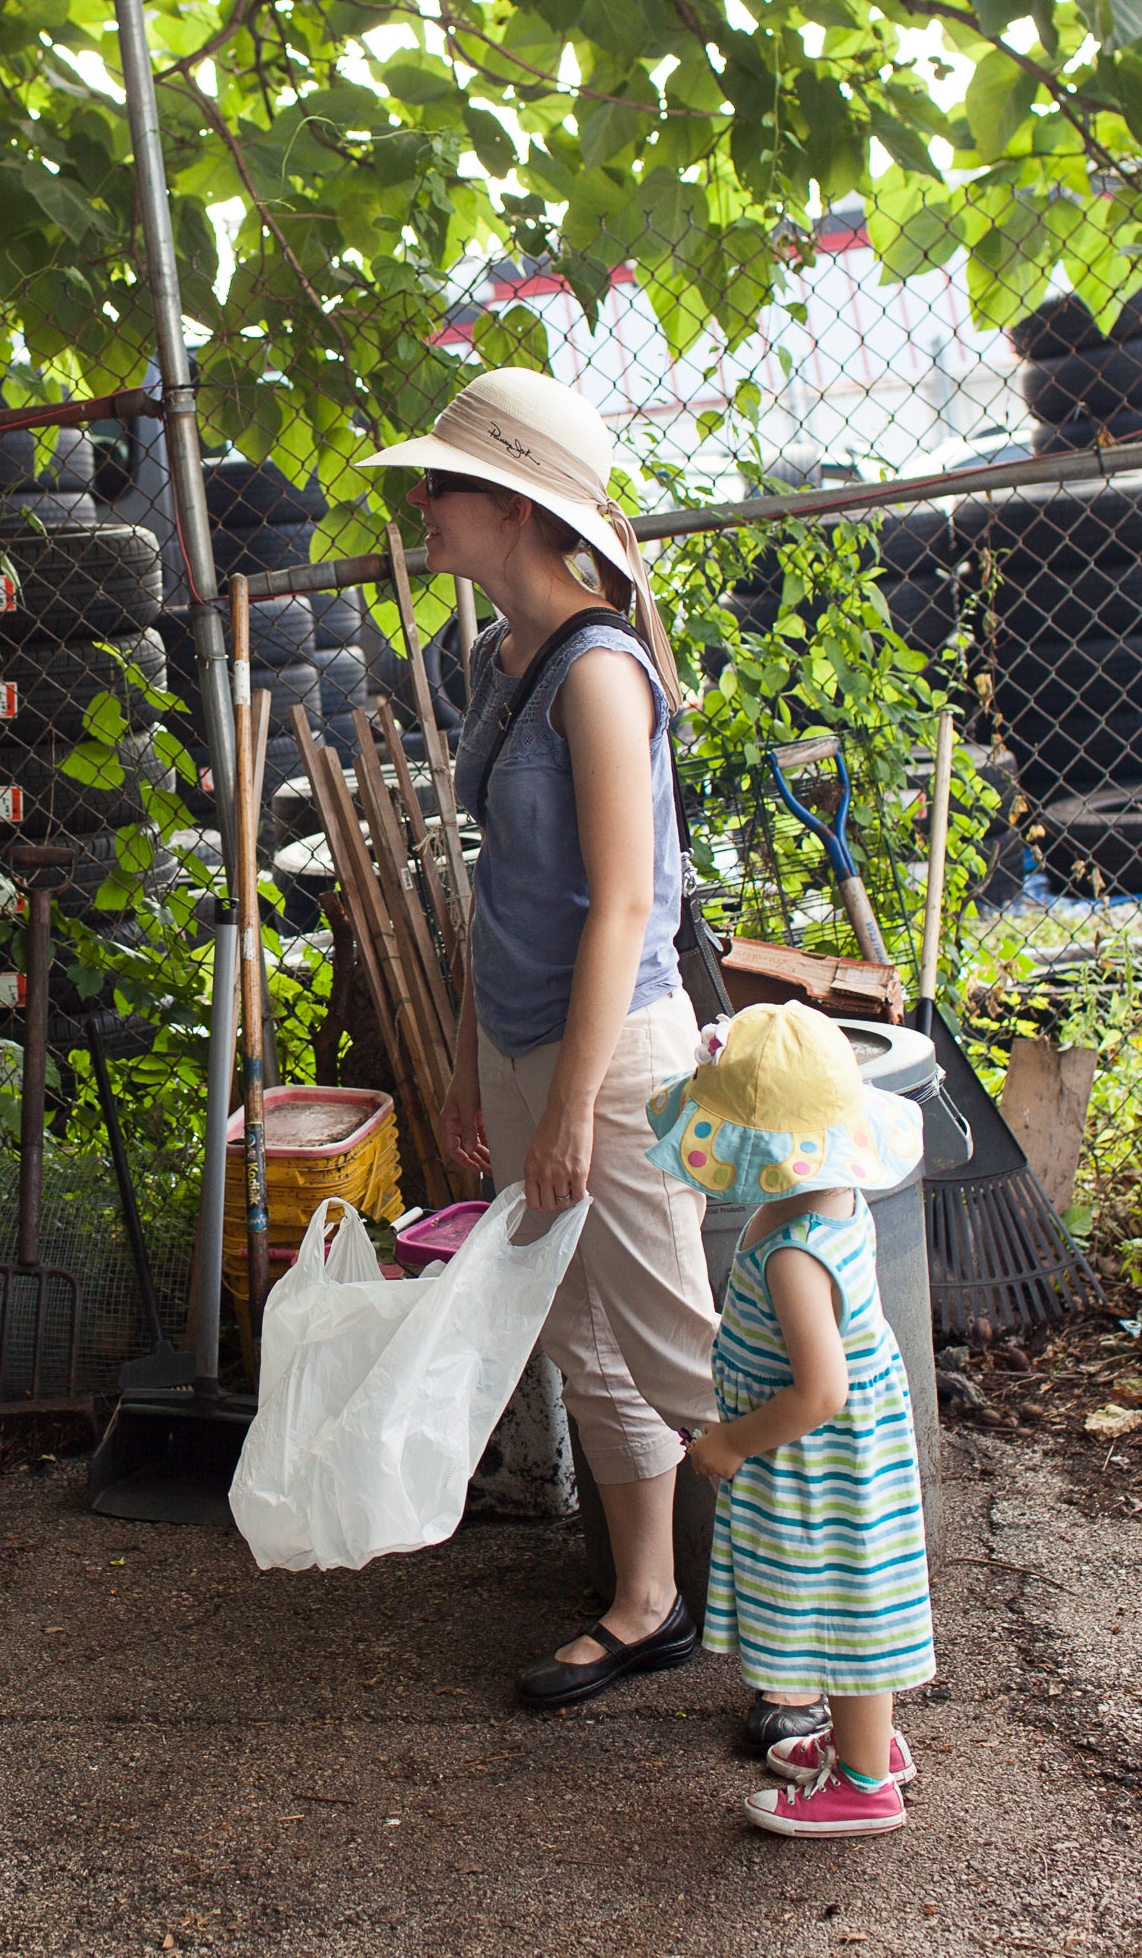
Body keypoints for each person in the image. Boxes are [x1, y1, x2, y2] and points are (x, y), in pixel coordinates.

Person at [360, 368, 710, 1709]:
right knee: (585, 1339)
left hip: (610, 1059)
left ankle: (814, 1656)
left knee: (684, 1348)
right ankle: (645, 1603)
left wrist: (565, 1105)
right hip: (520, 1048)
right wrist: (467, 1056)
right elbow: (503, 882)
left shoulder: (599, 669)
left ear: (511, 507)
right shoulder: (504, 660)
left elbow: (626, 904)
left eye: (439, 484)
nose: (421, 505)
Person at [655, 1001, 936, 1839]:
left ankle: (864, 1784)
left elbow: (820, 1391)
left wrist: (730, 1444)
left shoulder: (794, 1253)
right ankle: (866, 1745)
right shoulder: (829, 1194)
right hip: (834, 1454)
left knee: (841, 1606)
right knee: (843, 1600)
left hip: (822, 1460)